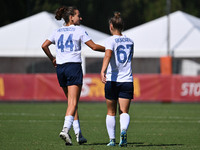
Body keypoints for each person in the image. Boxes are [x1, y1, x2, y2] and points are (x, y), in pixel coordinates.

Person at [41, 6, 105, 146]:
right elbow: (93, 47)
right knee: (73, 103)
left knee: (71, 103)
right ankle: (65, 129)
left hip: (61, 69)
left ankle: (78, 134)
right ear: (71, 17)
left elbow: (44, 45)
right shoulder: (79, 30)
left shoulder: (56, 31)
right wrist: (109, 50)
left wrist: (52, 59)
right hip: (73, 67)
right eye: (78, 16)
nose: (80, 18)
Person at [100, 12, 134, 147]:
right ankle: (123, 131)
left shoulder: (110, 40)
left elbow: (108, 55)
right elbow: (130, 58)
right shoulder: (130, 41)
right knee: (124, 111)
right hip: (127, 80)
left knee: (111, 112)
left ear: (111, 26)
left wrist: (103, 70)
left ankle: (112, 140)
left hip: (113, 80)